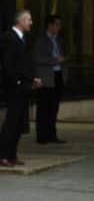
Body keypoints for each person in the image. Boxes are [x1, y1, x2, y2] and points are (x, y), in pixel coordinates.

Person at [0, 10, 42, 167]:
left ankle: (12, 155)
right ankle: (3, 155)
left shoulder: (22, 38)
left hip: (23, 86)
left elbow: (23, 64)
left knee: (18, 124)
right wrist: (18, 82)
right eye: (29, 20)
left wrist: (32, 79)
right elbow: (9, 65)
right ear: (21, 21)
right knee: (11, 123)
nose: (31, 23)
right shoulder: (9, 38)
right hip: (14, 87)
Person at [34, 14, 68, 144]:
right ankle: (42, 136)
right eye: (56, 24)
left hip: (58, 76)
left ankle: (52, 135)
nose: (59, 27)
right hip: (46, 77)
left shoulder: (59, 40)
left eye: (60, 25)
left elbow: (62, 55)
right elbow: (37, 58)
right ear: (50, 25)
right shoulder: (40, 40)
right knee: (44, 107)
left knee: (54, 107)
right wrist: (55, 60)